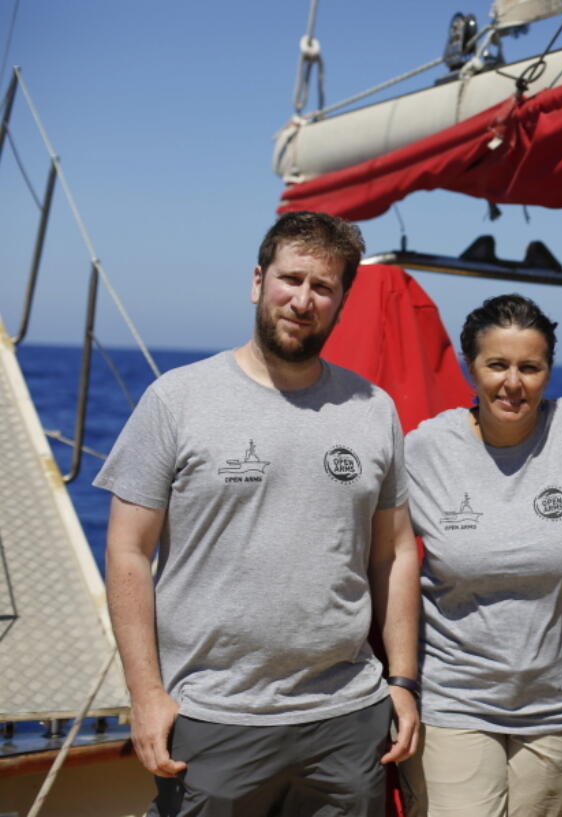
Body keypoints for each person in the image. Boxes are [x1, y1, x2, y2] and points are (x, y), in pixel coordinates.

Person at [98, 211, 420, 816]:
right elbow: (127, 551)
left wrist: (401, 683)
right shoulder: (177, 399)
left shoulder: (373, 410)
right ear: (257, 281)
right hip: (214, 717)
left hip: (347, 721)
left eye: (322, 287)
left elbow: (394, 552)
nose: (302, 300)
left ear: (342, 301)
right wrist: (146, 695)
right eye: (290, 279)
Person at [401, 293, 562, 817]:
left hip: (560, 704)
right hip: (455, 697)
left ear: (548, 371)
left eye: (529, 367)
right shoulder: (425, 448)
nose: (512, 382)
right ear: (470, 367)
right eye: (497, 364)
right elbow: (382, 557)